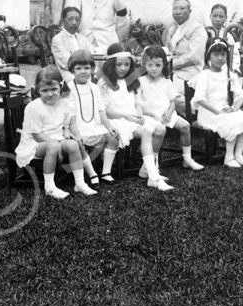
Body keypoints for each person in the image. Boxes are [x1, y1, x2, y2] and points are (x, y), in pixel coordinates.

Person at [15, 65, 98, 199]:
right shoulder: (34, 107)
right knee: (54, 146)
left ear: (61, 87)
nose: (50, 94)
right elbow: (37, 135)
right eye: (45, 90)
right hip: (35, 144)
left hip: (56, 139)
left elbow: (67, 124)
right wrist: (57, 144)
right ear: (38, 90)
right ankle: (49, 187)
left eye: (54, 89)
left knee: (73, 144)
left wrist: (68, 133)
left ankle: (80, 183)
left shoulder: (63, 103)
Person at [98, 43, 173, 191]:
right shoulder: (104, 83)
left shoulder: (133, 81)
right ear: (111, 64)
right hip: (115, 120)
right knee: (144, 131)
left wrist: (138, 114)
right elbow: (105, 111)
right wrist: (127, 116)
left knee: (157, 129)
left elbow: (137, 103)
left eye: (127, 64)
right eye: (119, 65)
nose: (123, 68)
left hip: (132, 118)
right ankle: (154, 176)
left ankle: (149, 171)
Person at [190, 37, 243, 168]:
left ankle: (238, 155)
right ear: (209, 56)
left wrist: (234, 109)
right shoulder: (205, 75)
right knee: (230, 122)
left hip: (224, 110)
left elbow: (241, 95)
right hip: (208, 113)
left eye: (223, 54)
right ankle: (229, 157)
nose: (220, 58)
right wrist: (218, 112)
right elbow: (199, 98)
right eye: (216, 54)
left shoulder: (228, 74)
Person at [139, 45, 204, 174]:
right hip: (149, 115)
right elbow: (137, 105)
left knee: (185, 126)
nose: (154, 69)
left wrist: (169, 113)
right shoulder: (140, 82)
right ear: (144, 64)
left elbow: (172, 101)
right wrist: (149, 114)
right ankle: (151, 164)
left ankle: (187, 159)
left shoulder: (165, 81)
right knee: (158, 131)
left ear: (163, 65)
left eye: (158, 65)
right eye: (150, 65)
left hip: (167, 113)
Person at [66, 50, 119, 186]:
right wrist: (76, 133)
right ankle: (91, 172)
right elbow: (70, 115)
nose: (83, 72)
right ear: (72, 70)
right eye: (78, 68)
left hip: (93, 124)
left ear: (92, 69)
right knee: (79, 143)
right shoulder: (69, 89)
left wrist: (109, 126)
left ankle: (106, 172)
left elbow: (101, 109)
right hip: (75, 125)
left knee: (113, 137)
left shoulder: (94, 88)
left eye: (87, 68)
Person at [164, 0, 208, 115]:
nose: (178, 12)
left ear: (189, 11)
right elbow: (169, 51)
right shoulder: (172, 28)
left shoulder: (197, 28)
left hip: (190, 72)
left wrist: (170, 64)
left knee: (169, 93)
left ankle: (195, 113)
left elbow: (193, 57)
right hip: (171, 72)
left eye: (182, 8)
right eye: (175, 9)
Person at [50, 6, 94, 81]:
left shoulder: (83, 38)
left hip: (86, 71)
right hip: (67, 73)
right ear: (63, 21)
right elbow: (66, 62)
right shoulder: (58, 39)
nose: (74, 23)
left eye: (77, 19)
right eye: (70, 19)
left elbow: (93, 55)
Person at [208, 3, 240, 74]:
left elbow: (235, 56)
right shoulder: (204, 33)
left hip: (224, 70)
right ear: (210, 16)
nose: (217, 19)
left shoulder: (228, 36)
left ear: (225, 18)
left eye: (221, 17)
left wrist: (232, 70)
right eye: (215, 16)